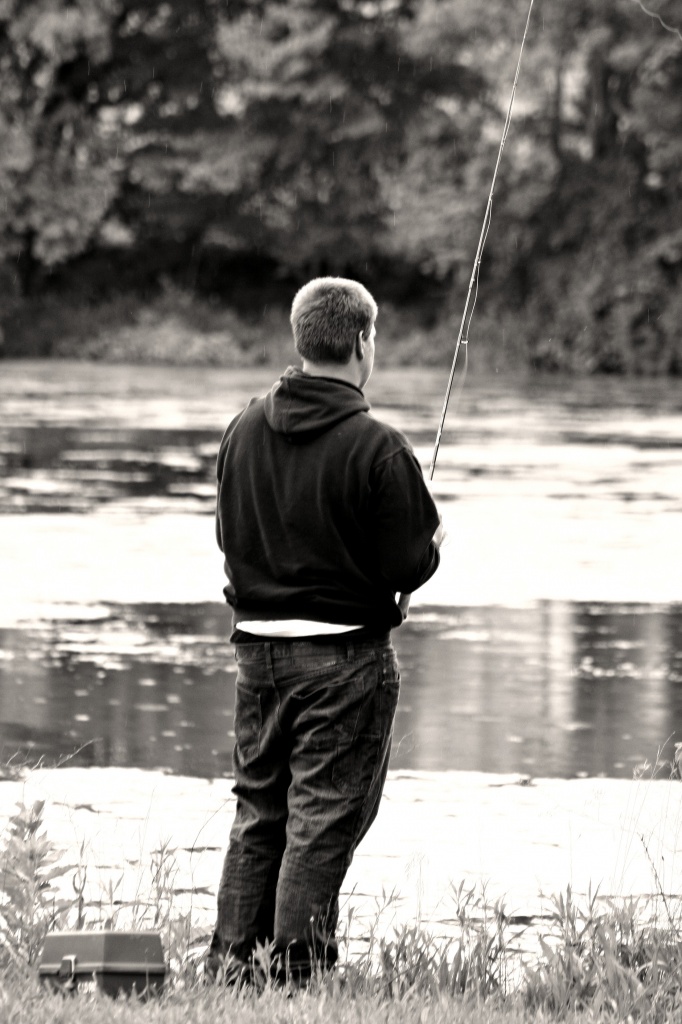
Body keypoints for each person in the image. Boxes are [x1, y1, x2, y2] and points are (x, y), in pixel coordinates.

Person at [207, 276, 443, 987]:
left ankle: (233, 973)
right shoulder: (379, 447)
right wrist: (433, 543)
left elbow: (228, 535)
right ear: (364, 342)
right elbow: (410, 563)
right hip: (344, 658)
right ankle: (296, 978)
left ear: (300, 338)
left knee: (260, 814)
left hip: (257, 655)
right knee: (319, 820)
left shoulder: (242, 427)